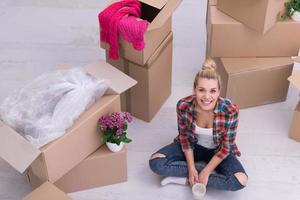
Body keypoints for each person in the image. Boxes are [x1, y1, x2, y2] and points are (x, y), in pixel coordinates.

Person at [149, 59, 248, 193]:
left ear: (219, 92)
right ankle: (194, 174)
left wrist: (206, 171)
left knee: (240, 180)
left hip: (217, 151)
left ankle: (187, 178)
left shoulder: (231, 110)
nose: (207, 97)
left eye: (212, 91)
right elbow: (185, 138)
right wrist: (190, 168)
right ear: (194, 89)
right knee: (155, 162)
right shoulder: (183, 105)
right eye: (202, 90)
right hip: (193, 148)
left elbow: (226, 147)